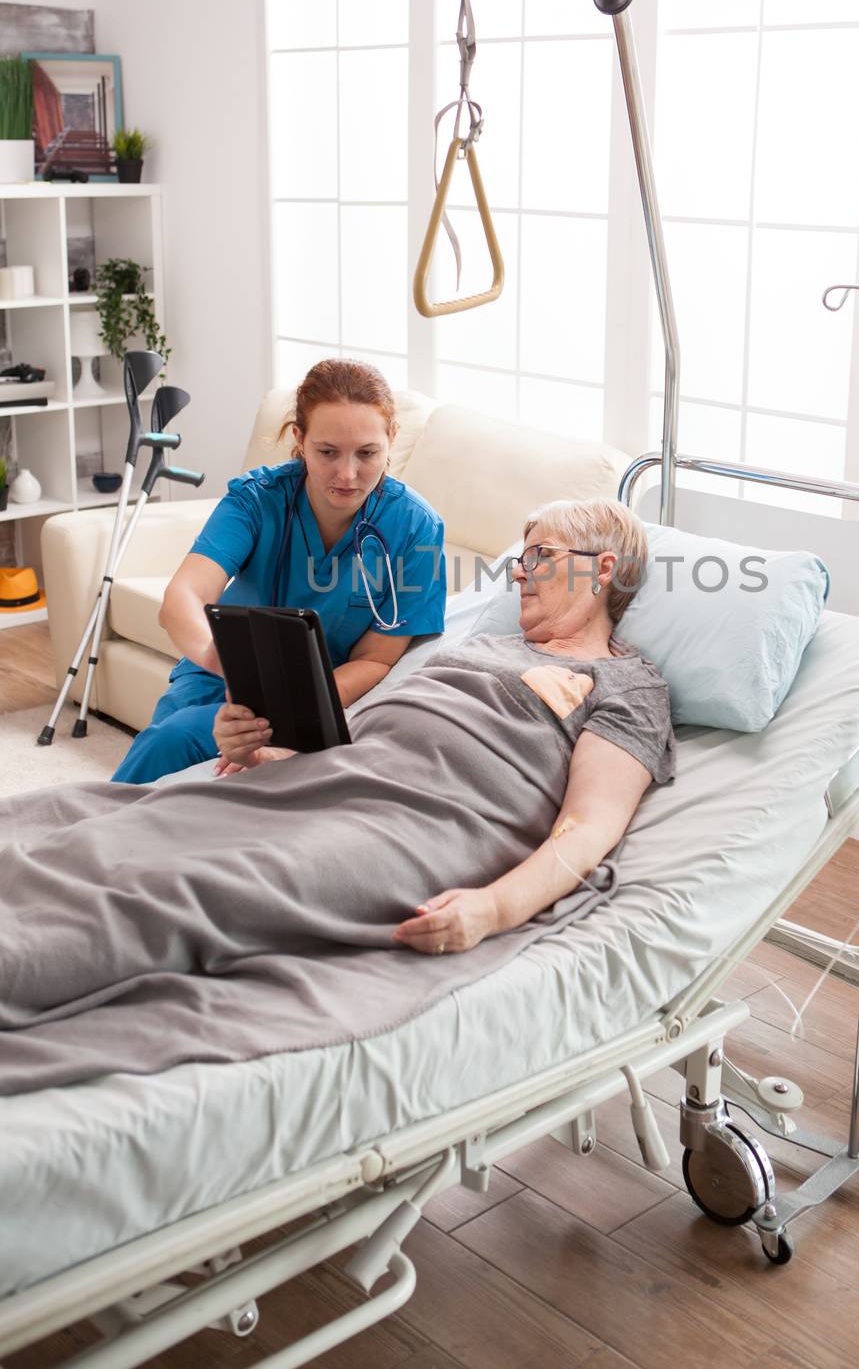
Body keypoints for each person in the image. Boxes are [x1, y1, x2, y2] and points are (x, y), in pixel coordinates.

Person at [1, 501, 674, 1078]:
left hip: (417, 824)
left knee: (193, 889)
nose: (518, 570)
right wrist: (279, 753)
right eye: (520, 556)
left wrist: (492, 910)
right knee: (99, 826)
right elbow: (365, 733)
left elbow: (589, 824)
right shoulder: (479, 648)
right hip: (332, 781)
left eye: (540, 555)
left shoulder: (627, 686)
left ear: (601, 568)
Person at [111, 359, 446, 783]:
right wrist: (234, 669)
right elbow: (183, 599)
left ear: (391, 440)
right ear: (299, 439)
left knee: (179, 751)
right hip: (215, 671)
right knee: (168, 742)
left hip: (322, 690)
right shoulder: (256, 499)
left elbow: (376, 659)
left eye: (367, 453)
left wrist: (288, 708)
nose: (347, 474)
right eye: (328, 452)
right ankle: (98, 835)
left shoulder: (417, 528)